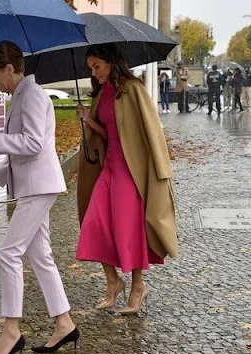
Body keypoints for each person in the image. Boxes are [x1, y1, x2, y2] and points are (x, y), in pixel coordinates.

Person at [0, 40, 78, 354]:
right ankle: (64, 323)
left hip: (38, 185)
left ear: (9, 69)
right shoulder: (21, 95)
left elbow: (32, 144)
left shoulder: (31, 95)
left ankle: (11, 331)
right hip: (34, 183)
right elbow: (29, 148)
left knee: (8, 252)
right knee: (40, 256)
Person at [75, 43, 178, 315]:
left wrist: (158, 172)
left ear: (110, 62)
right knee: (93, 222)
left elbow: (151, 132)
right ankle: (113, 281)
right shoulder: (103, 93)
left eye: (97, 66)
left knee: (127, 229)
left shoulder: (133, 89)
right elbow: (109, 133)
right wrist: (88, 119)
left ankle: (138, 286)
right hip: (109, 167)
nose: (94, 72)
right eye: (91, 68)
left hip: (132, 170)